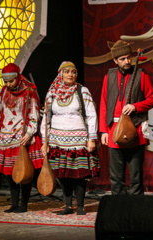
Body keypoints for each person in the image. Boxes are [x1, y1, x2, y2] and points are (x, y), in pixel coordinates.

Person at [41, 61, 99, 215]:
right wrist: (44, 141)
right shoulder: (52, 93)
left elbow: (92, 115)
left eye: (73, 72)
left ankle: (80, 206)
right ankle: (67, 206)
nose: (70, 74)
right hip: (56, 140)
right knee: (63, 174)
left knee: (78, 174)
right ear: (60, 74)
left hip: (78, 140)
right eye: (67, 71)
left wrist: (91, 138)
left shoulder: (82, 91)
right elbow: (46, 119)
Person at [99, 40, 153, 195]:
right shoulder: (109, 76)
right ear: (115, 60)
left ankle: (136, 210)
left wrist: (136, 106)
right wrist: (103, 131)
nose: (127, 61)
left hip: (135, 129)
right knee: (116, 178)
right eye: (122, 59)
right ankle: (120, 210)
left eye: (128, 57)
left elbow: (152, 99)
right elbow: (104, 103)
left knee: (136, 177)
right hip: (113, 130)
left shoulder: (141, 74)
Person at [0, 63, 44, 213]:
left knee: (24, 171)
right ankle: (14, 203)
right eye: (6, 82)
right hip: (6, 135)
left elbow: (34, 114)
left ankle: (24, 204)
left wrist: (29, 134)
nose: (8, 84)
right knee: (9, 172)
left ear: (18, 78)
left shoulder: (29, 91)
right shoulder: (3, 92)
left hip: (22, 135)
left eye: (11, 81)